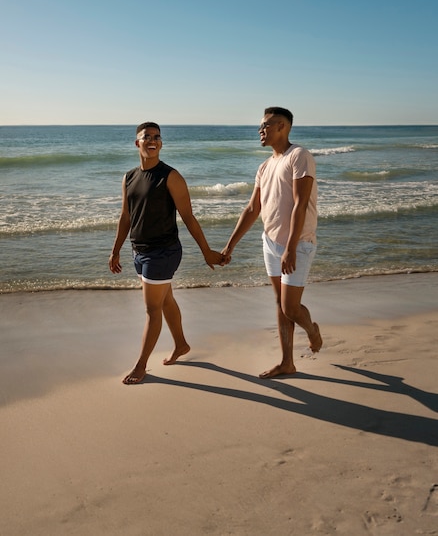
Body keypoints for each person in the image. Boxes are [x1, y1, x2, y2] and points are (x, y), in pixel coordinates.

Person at [109, 122, 226, 384]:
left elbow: (189, 218)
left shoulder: (170, 176)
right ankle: (181, 344)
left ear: (161, 143)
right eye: (146, 137)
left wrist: (206, 252)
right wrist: (115, 250)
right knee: (165, 301)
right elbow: (125, 217)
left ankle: (141, 365)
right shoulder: (128, 177)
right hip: (139, 251)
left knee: (152, 309)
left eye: (157, 137)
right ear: (136, 143)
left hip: (163, 252)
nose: (152, 140)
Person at [222, 107, 322, 378]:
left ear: (283, 126)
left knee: (290, 307)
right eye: (260, 126)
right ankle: (287, 362)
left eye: (266, 125)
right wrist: (230, 245)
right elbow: (252, 209)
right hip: (270, 241)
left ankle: (312, 330)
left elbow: (300, 205)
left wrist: (290, 248)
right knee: (280, 304)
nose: (260, 130)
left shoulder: (299, 156)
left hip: (297, 243)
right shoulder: (264, 166)